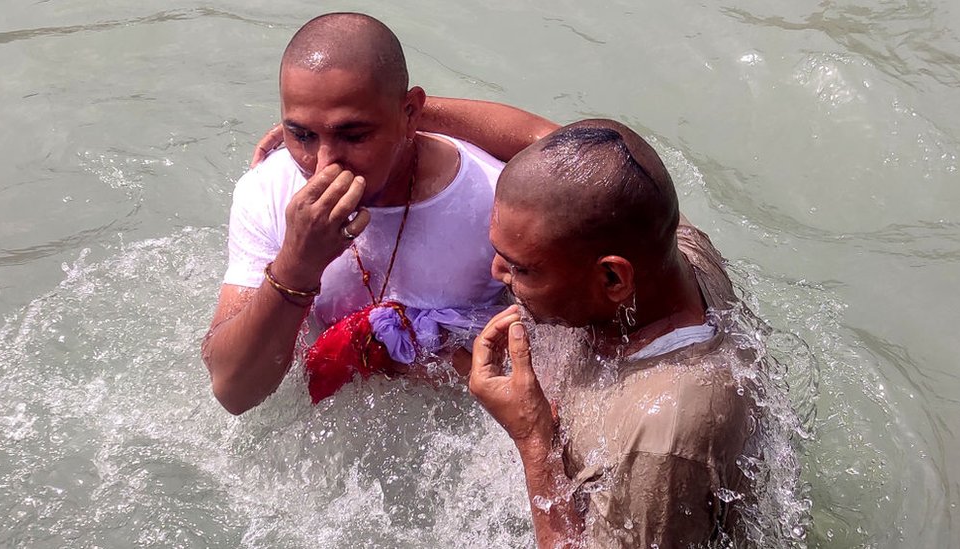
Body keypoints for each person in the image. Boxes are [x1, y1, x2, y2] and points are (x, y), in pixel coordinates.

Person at [202, 12, 555, 414]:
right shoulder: (267, 192)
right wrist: (295, 266)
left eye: (353, 135)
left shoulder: (491, 198)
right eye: (302, 134)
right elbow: (233, 393)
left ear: (410, 114)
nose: (323, 165)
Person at [469, 120, 756, 548]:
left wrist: (534, 441)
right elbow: (544, 142)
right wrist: (407, 118)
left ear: (612, 279)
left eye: (522, 268)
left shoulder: (661, 437)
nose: (497, 272)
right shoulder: (675, 248)